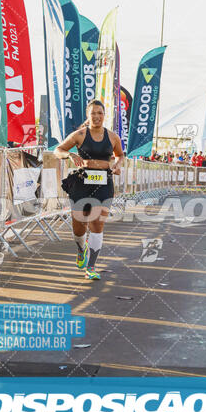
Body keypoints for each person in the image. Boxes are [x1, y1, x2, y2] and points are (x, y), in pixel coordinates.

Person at [54, 100, 124, 280]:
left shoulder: (113, 137)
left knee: (97, 223)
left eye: (100, 113)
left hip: (104, 183)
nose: (97, 116)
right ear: (88, 115)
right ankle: (80, 248)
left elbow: (120, 155)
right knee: (79, 225)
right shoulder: (79, 135)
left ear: (104, 115)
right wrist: (69, 154)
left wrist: (117, 165)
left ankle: (91, 267)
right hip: (81, 183)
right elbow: (58, 149)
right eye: (93, 113)